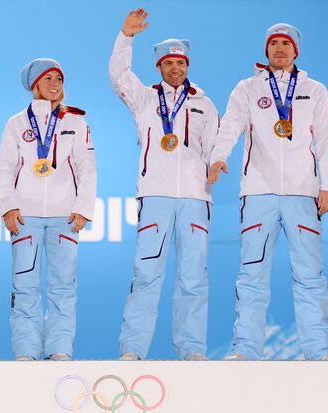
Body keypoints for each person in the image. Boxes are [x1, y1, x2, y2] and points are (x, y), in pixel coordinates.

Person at [208, 23, 328, 360]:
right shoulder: (248, 88)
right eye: (274, 44)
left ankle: (320, 351)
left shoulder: (316, 90)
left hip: (303, 193)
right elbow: (230, 127)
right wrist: (218, 157)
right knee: (252, 274)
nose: (279, 49)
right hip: (258, 192)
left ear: (296, 51)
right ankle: (246, 350)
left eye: (286, 44)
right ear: (266, 51)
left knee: (310, 275)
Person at [110, 9, 219, 361]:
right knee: (146, 274)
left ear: (188, 66)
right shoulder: (143, 99)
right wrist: (125, 37)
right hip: (154, 196)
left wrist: (218, 161)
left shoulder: (205, 104)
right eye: (169, 63)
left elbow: (218, 144)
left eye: (181, 63)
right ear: (159, 67)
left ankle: (191, 349)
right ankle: (133, 349)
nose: (176, 69)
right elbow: (118, 75)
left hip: (194, 197)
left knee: (193, 277)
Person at [0, 58, 96, 361]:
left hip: (64, 216)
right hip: (25, 217)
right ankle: (26, 350)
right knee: (24, 285)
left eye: (59, 79)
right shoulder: (16, 124)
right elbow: (5, 168)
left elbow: (87, 169)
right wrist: (8, 207)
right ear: (34, 85)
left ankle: (60, 350)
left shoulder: (76, 122)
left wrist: (83, 208)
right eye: (48, 79)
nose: (55, 84)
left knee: (63, 287)